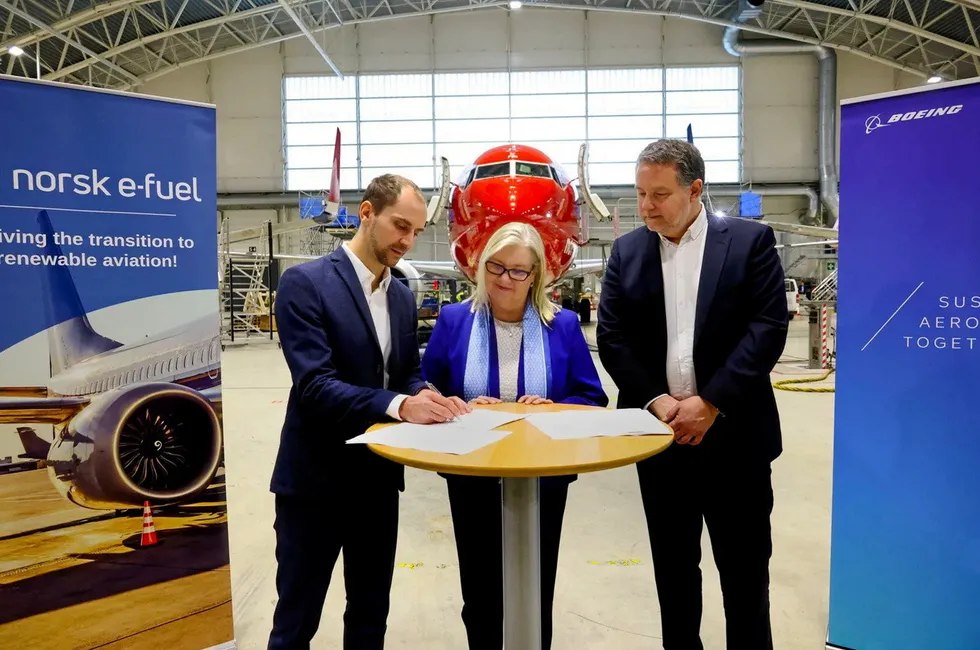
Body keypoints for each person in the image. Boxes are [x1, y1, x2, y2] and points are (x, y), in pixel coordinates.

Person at [596, 140, 789, 650]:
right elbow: (612, 337)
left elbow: (767, 329)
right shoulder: (628, 251)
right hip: (659, 442)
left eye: (659, 194)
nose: (646, 206)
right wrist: (658, 400)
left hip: (736, 441)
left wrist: (711, 402)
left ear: (695, 189)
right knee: (674, 577)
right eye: (640, 193)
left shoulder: (750, 242)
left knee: (746, 580)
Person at [268, 174, 470, 650]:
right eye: (400, 225)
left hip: (378, 482)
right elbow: (316, 386)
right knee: (296, 621)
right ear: (366, 213)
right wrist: (403, 405)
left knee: (369, 617)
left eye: (417, 231)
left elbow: (403, 373)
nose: (408, 240)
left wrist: (432, 396)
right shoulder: (306, 284)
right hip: (314, 484)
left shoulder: (401, 294)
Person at [421, 222, 608, 650]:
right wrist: (459, 403)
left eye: (519, 271)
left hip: (545, 476)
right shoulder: (454, 320)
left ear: (536, 275)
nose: (506, 279)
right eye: (497, 267)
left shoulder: (560, 325)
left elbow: (591, 396)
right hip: (471, 472)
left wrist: (556, 406)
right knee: (481, 592)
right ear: (481, 266)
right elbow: (426, 387)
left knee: (535, 588)